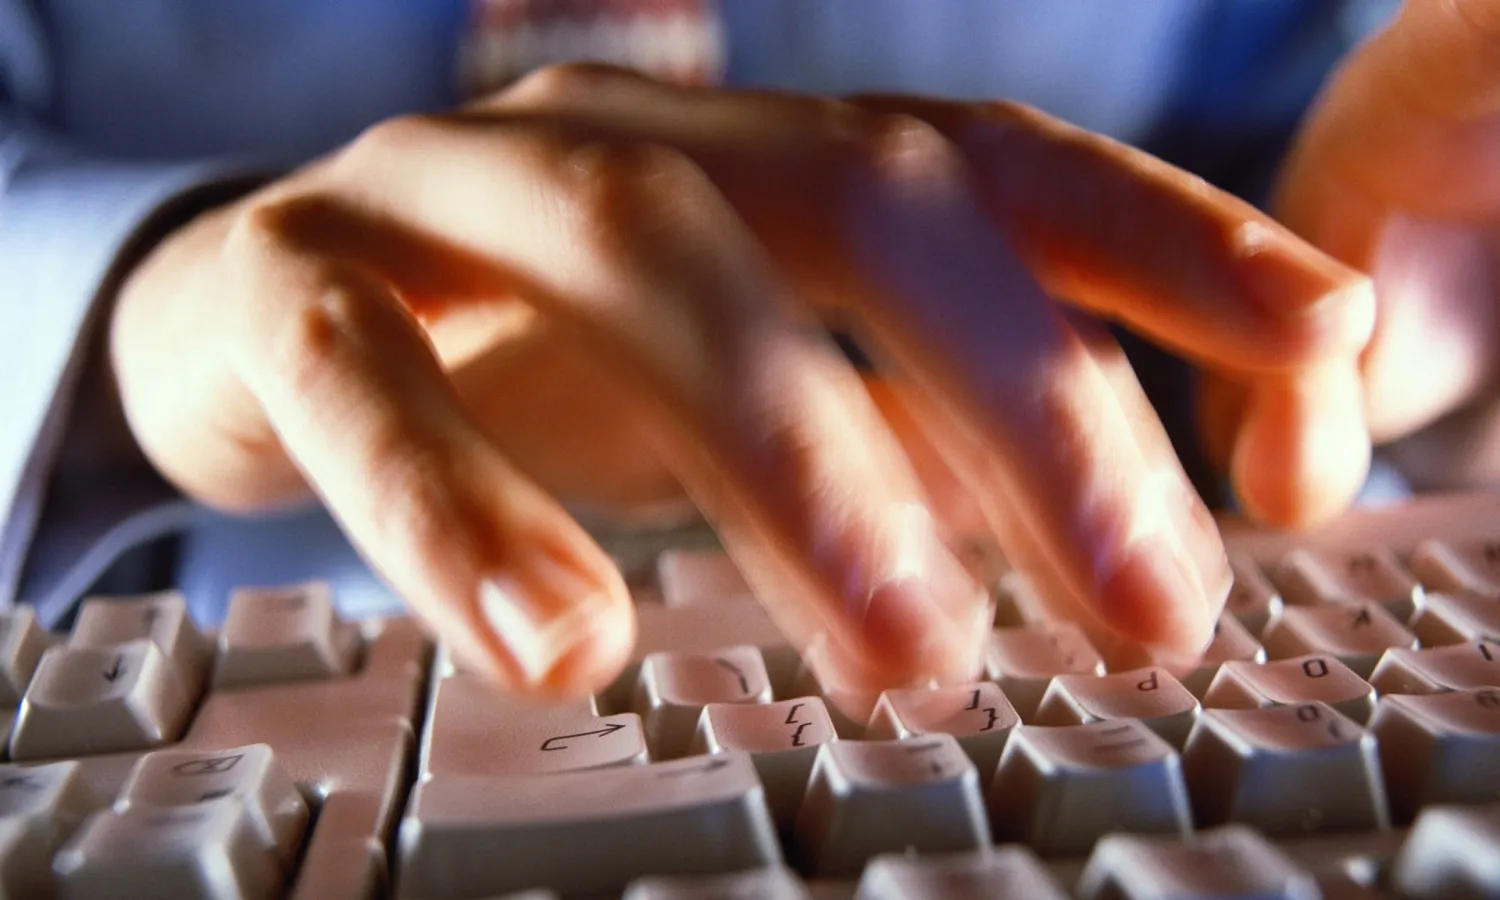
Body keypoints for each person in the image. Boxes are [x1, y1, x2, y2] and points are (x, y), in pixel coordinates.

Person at [2, 0, 1491, 707]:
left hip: (1096, 615)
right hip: (200, 621)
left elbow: (1309, 119)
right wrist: (136, 309)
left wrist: (1414, 320)